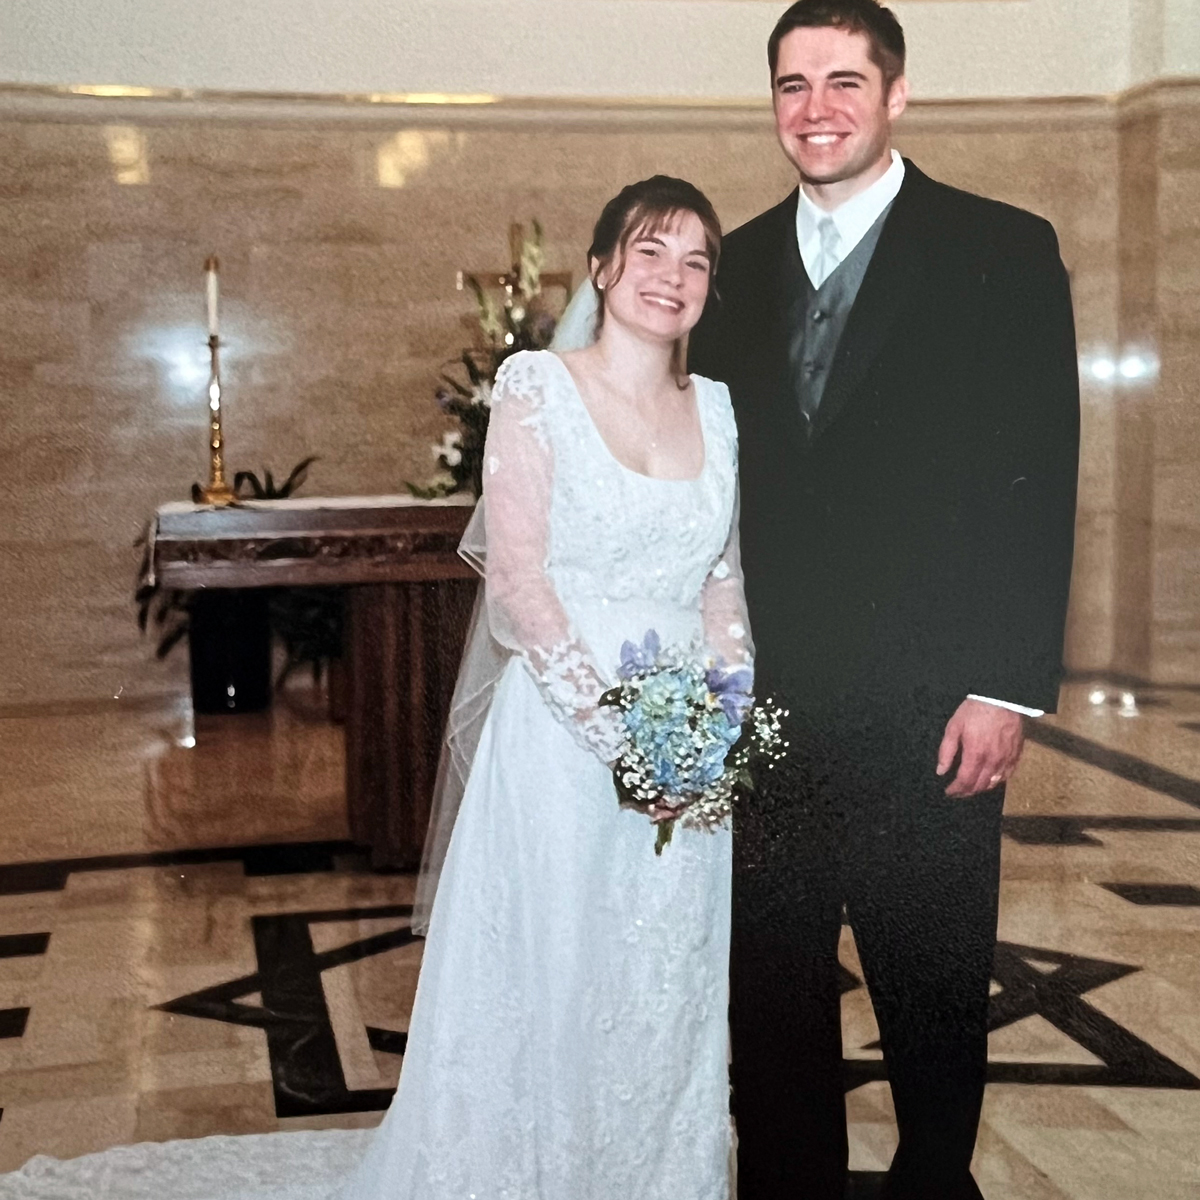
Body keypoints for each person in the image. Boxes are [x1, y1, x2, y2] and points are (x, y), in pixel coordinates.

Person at [687, 3, 1080, 1198]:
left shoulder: (1001, 248)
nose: (816, 109)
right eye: (792, 85)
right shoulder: (732, 265)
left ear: (896, 94)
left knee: (933, 980)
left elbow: (1038, 475)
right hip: (769, 701)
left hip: (933, 697)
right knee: (772, 988)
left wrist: (1004, 682)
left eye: (844, 82)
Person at [339, 174, 750, 1200]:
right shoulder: (538, 387)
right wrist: (625, 743)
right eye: (651, 251)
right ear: (604, 266)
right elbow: (520, 583)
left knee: (663, 985)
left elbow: (722, 584)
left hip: (686, 753)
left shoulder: (720, 409)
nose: (674, 277)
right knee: (558, 978)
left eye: (696, 260)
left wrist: (715, 730)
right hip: (566, 744)